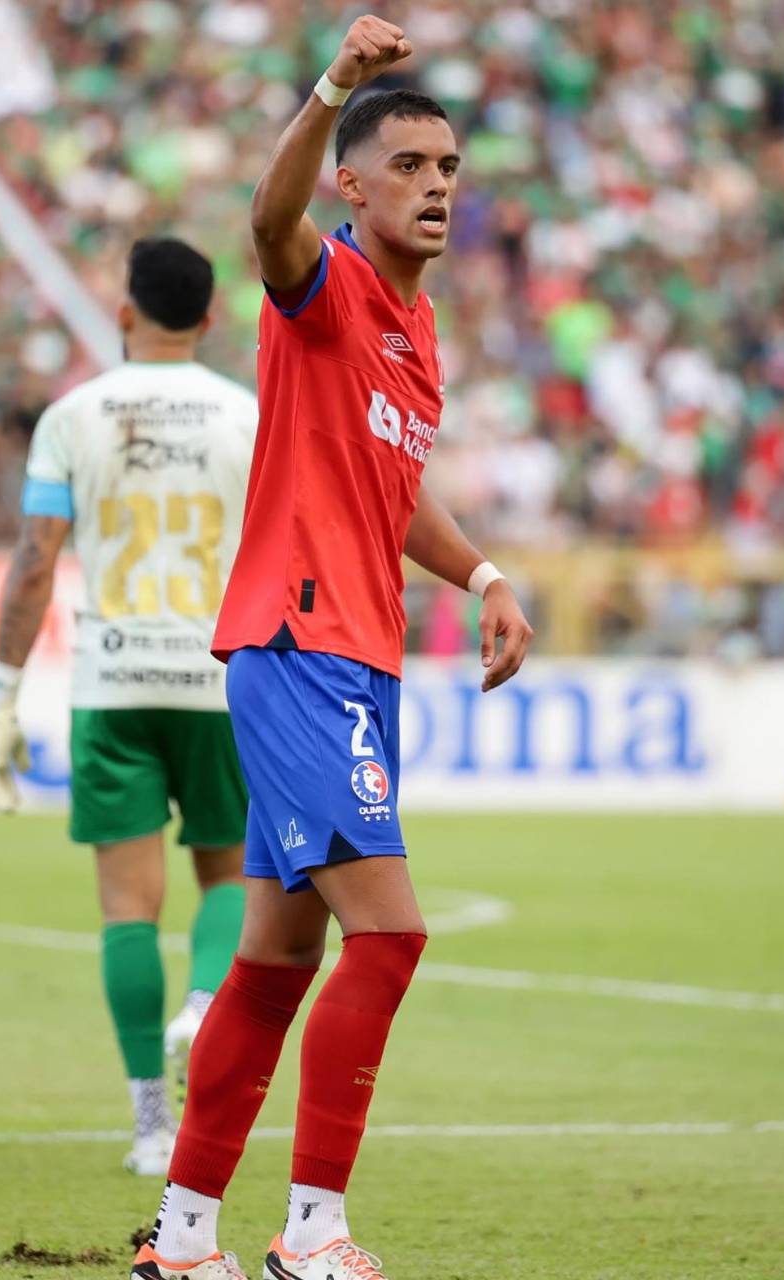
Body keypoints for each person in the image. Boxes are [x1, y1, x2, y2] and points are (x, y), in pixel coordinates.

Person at [133, 16, 533, 1280]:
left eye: (448, 167)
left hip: (354, 655)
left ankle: (183, 1239)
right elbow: (267, 224)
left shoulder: (419, 335)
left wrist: (484, 573)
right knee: (392, 935)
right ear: (352, 186)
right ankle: (311, 1231)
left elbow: (394, 490)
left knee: (273, 961)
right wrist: (333, 85)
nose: (436, 186)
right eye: (409, 166)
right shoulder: (325, 284)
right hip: (299, 639)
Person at [0, 237, 256, 1177]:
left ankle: (150, 1127)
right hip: (219, 678)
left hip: (113, 681)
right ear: (210, 319)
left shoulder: (72, 416)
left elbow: (35, 561)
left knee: (126, 910)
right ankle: (205, 1005)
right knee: (232, 877)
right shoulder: (247, 417)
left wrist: (3, 695)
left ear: (125, 311)